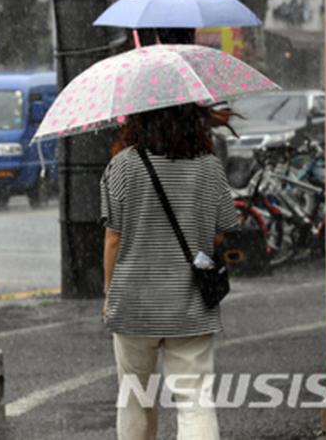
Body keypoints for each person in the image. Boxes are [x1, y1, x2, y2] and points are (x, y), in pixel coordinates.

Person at [101, 103, 239, 440]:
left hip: (134, 302)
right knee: (195, 400)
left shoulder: (122, 166)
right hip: (190, 302)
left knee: (134, 399)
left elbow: (113, 240)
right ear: (194, 120)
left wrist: (109, 293)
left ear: (138, 120)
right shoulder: (209, 167)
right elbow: (221, 232)